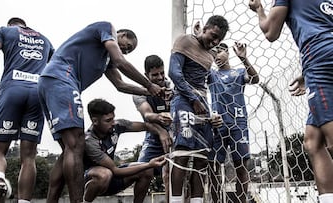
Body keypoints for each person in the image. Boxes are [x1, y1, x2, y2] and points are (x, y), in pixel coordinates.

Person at [37, 21, 164, 203]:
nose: (125, 51)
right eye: (126, 46)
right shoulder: (106, 28)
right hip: (61, 78)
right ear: (119, 34)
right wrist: (149, 85)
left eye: (129, 51)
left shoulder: (107, 61)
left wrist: (149, 91)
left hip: (52, 82)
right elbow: (121, 61)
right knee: (77, 144)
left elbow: (120, 85)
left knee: (68, 150)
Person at [249, 0, 333, 202]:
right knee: (313, 141)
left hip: (319, 60)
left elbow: (270, 32)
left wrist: (259, 10)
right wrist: (306, 75)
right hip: (323, 59)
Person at [0, 17, 54, 203]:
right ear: (24, 24)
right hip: (38, 92)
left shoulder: (4, 31)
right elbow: (56, 67)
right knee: (29, 156)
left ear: (11, 25)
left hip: (12, 89)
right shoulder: (45, 39)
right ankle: (24, 201)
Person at [168, 15, 229, 203]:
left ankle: (197, 200)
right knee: (183, 154)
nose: (215, 41)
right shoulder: (184, 41)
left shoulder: (210, 54)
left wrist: (212, 113)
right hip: (184, 101)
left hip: (202, 105)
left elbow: (212, 82)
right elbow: (174, 73)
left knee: (203, 157)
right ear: (205, 28)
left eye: (219, 39)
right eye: (213, 35)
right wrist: (193, 99)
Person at [83, 98, 167, 203]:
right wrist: (150, 164)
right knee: (104, 174)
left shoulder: (116, 125)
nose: (113, 123)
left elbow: (145, 125)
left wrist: (161, 132)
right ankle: (85, 201)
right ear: (95, 121)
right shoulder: (90, 141)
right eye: (108, 120)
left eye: (113, 118)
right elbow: (116, 171)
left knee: (146, 171)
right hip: (92, 179)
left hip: (111, 177)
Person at [207, 42, 259, 203]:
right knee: (213, 167)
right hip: (217, 124)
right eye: (213, 54)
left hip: (238, 124)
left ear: (227, 52)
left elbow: (255, 79)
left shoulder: (239, 72)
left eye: (219, 52)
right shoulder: (211, 74)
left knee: (241, 166)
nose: (216, 56)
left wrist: (244, 58)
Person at [132, 54, 173, 202]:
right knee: (143, 170)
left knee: (172, 172)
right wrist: (161, 127)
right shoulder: (139, 92)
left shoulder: (173, 87)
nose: (160, 77)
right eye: (155, 75)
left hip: (176, 134)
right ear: (146, 75)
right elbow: (147, 116)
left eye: (162, 73)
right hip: (153, 136)